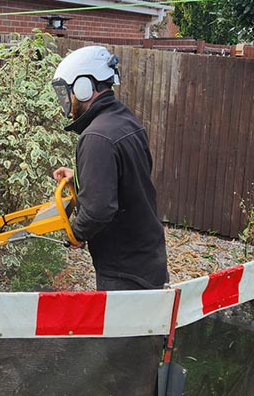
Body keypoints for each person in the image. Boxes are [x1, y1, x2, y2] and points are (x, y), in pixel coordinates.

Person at [51, 45, 168, 291]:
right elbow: (126, 177)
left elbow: (98, 210)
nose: (67, 102)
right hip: (145, 256)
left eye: (68, 92)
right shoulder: (124, 120)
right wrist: (83, 178)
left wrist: (76, 234)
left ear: (83, 88)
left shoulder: (96, 137)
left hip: (124, 269)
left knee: (125, 329)